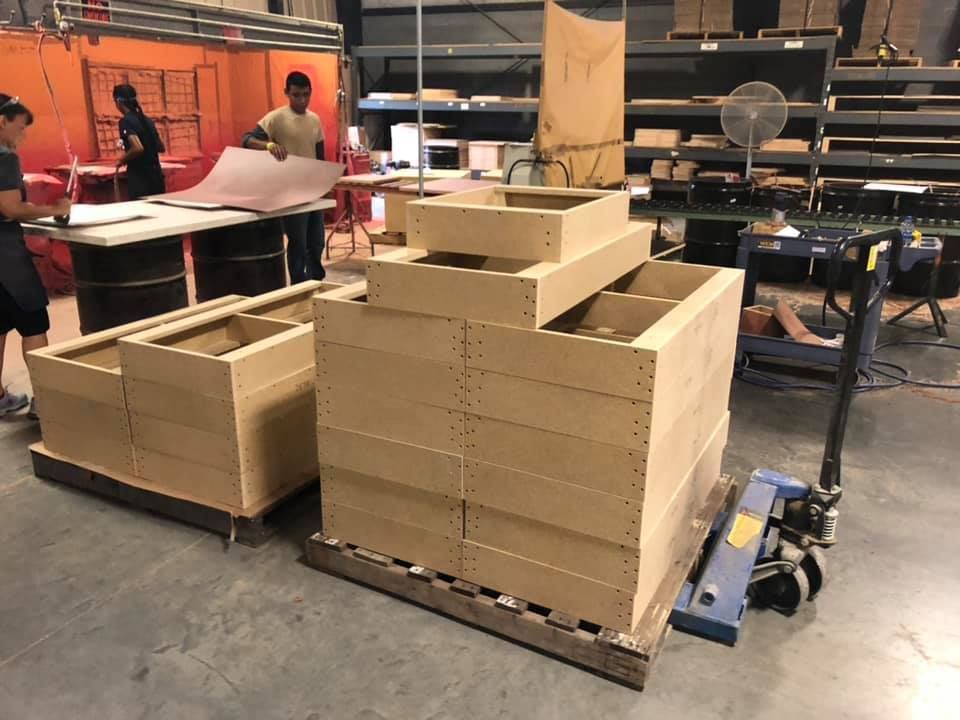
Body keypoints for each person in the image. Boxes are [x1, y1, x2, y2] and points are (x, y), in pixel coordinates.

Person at [0, 94, 71, 420]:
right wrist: (54, 209)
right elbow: (10, 207)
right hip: (6, 258)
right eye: (20, 128)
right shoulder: (4, 158)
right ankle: (45, 401)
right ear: (3, 121)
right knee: (34, 322)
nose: (22, 137)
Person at [242, 71, 326, 282]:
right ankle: (299, 283)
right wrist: (269, 145)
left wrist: (326, 181)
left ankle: (317, 279)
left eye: (306, 95)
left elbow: (320, 154)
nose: (302, 100)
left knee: (317, 241)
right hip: (290, 189)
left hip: (313, 189)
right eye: (296, 95)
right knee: (298, 240)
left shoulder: (314, 120)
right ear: (286, 93)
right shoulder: (276, 118)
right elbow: (247, 139)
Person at [113, 84, 166, 200]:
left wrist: (122, 160)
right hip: (157, 177)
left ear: (118, 101)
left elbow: (137, 148)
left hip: (141, 180)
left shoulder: (125, 121)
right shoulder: (147, 120)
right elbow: (161, 147)